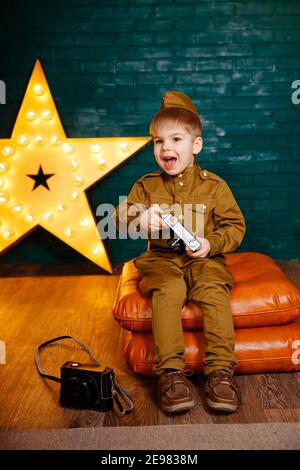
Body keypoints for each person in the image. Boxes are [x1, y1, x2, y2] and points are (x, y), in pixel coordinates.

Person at [114, 91, 246, 414]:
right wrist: (139, 218)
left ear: (195, 145)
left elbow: (235, 227)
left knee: (214, 291)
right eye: (159, 142)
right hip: (161, 261)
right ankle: (171, 374)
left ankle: (220, 373)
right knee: (169, 290)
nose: (166, 148)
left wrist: (211, 244)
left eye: (176, 139)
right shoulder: (146, 186)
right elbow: (120, 217)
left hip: (204, 259)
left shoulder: (214, 186)